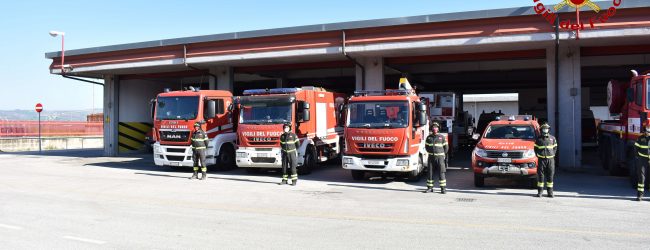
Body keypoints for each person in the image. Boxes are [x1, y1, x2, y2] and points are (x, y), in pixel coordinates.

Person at [424, 122, 448, 194]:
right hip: (431, 158)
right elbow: (427, 147)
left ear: (438, 129)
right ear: (431, 128)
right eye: (433, 127)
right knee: (430, 173)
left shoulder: (442, 137)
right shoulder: (429, 137)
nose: (435, 128)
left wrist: (443, 155)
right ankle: (430, 188)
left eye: (436, 127)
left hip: (440, 157)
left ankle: (443, 189)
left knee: (441, 173)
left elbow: (446, 148)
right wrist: (431, 153)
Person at [534, 123, 558, 198]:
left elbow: (555, 148)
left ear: (548, 130)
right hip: (541, 159)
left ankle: (550, 192)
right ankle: (540, 192)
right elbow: (535, 149)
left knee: (550, 176)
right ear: (541, 130)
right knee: (541, 176)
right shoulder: (538, 139)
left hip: (550, 159)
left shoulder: (552, 138)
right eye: (544, 128)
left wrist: (552, 154)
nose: (545, 130)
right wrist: (538, 155)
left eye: (546, 128)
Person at [634, 122, 650, 201]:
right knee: (641, 178)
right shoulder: (640, 138)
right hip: (642, 159)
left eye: (648, 132)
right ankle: (640, 195)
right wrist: (638, 157)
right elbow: (636, 148)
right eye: (646, 132)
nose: (647, 133)